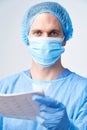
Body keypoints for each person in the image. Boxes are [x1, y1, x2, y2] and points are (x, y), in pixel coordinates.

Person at [0, 1, 87, 130]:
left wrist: (68, 127)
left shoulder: (83, 91)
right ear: (27, 37)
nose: (45, 39)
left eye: (53, 33)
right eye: (38, 33)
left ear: (64, 39)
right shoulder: (5, 88)